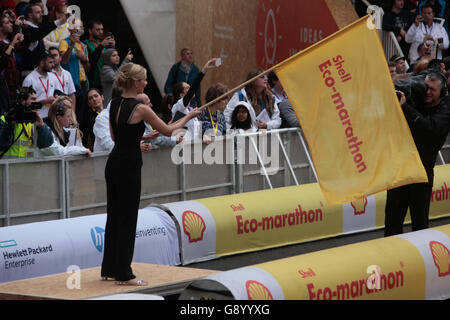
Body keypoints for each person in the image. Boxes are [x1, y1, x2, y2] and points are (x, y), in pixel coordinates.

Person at [100, 63, 201, 286]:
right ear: (135, 82)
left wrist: (145, 138)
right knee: (127, 218)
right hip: (128, 165)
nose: (146, 83)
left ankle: (108, 269)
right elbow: (168, 129)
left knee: (114, 216)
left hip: (114, 163)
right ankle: (124, 274)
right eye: (144, 79)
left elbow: (117, 138)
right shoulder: (141, 108)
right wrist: (190, 116)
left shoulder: (114, 103)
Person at [385, 71, 450, 236]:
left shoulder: (444, 113)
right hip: (400, 172)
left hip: (421, 176)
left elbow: (429, 129)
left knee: (420, 227)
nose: (427, 92)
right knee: (392, 225)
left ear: (442, 93)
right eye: (425, 87)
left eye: (432, 90)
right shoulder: (414, 101)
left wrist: (406, 107)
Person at [170, 58, 221, 142]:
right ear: (181, 95)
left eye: (190, 87)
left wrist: (203, 137)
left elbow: (195, 132)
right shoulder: (179, 107)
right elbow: (193, 88)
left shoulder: (191, 109)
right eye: (187, 88)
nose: (190, 89)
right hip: (183, 149)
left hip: (194, 148)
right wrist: (203, 70)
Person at [0, 86, 54, 159]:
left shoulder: (36, 120)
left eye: (36, 99)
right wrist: (10, 124)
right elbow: (1, 144)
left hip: (28, 168)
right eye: (33, 99)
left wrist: (42, 127)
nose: (36, 102)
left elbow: (46, 144)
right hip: (7, 168)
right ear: (22, 101)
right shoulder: (4, 119)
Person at [20, 2, 67, 77]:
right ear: (30, 15)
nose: (42, 14)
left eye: (42, 12)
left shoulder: (35, 28)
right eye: (38, 12)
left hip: (39, 73)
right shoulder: (27, 29)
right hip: (29, 74)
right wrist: (58, 22)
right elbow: (38, 34)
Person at [59, 18, 90, 127]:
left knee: (81, 116)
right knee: (70, 115)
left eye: (80, 27)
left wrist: (84, 60)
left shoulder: (83, 45)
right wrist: (71, 45)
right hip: (71, 84)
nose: (78, 29)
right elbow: (63, 61)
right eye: (76, 27)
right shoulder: (64, 42)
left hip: (83, 84)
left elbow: (88, 68)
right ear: (70, 29)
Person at [22, 49, 58, 119]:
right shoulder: (29, 79)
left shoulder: (53, 76)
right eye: (50, 62)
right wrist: (44, 102)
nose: (53, 65)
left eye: (53, 62)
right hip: (37, 119)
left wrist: (57, 97)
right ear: (42, 63)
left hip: (52, 117)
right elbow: (25, 104)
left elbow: (56, 92)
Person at [0, 12, 24, 113]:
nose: (11, 24)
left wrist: (20, 28)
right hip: (3, 85)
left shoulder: (9, 41)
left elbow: (23, 46)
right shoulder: (5, 44)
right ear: (0, 27)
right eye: (7, 23)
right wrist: (14, 41)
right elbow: (3, 60)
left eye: (11, 22)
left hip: (13, 84)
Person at [84, 19, 115, 90]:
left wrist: (112, 47)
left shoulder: (102, 44)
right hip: (94, 82)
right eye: (97, 30)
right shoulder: (85, 44)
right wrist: (101, 46)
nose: (101, 32)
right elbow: (91, 61)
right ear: (90, 31)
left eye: (102, 29)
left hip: (105, 81)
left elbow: (111, 61)